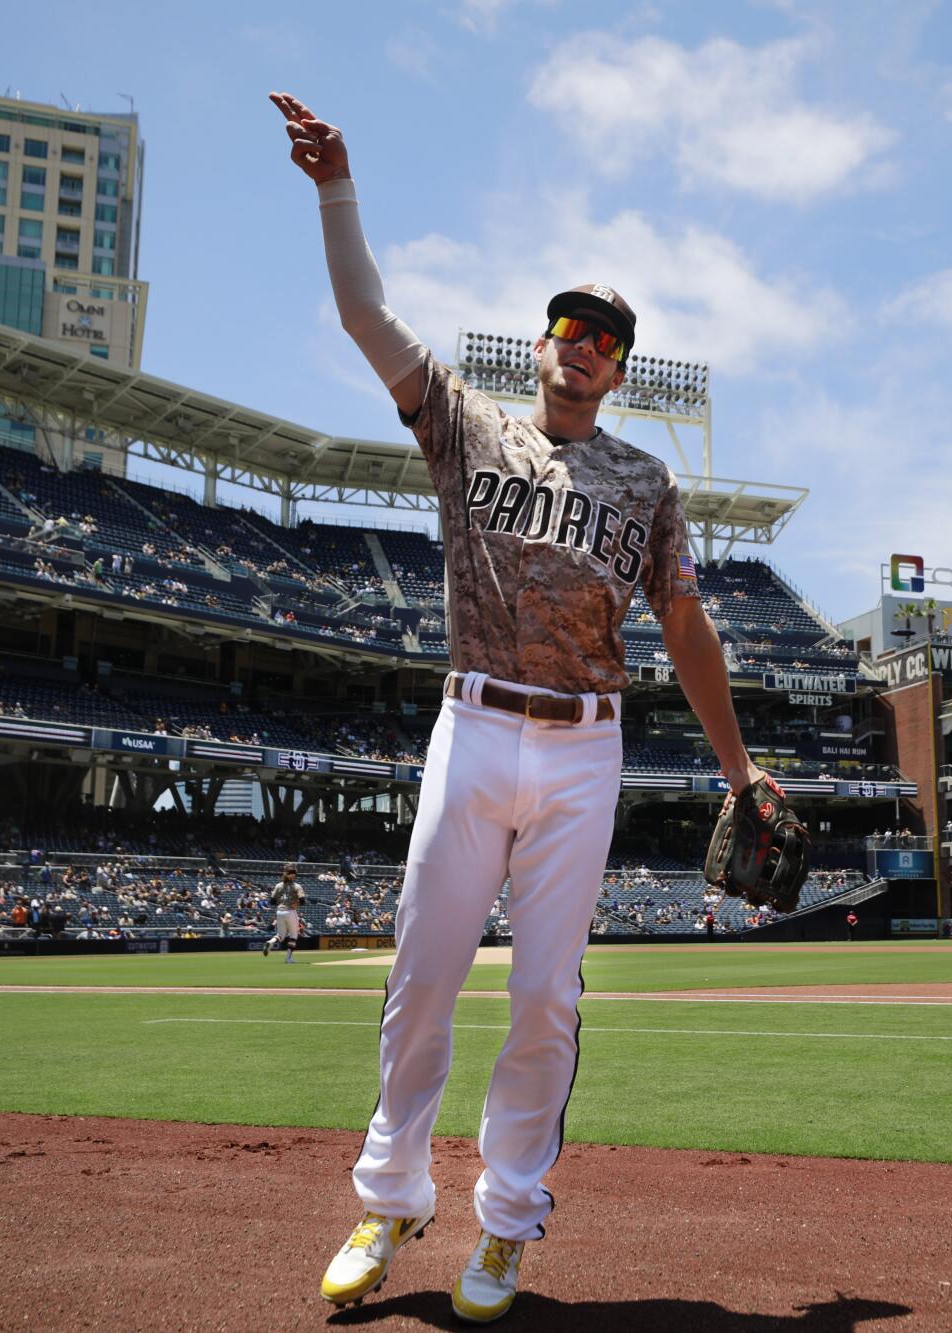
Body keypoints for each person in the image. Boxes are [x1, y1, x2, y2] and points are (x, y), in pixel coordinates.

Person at [271, 89, 771, 1323]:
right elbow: (359, 311)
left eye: (603, 335)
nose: (581, 342)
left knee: (546, 995)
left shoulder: (646, 482)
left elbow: (684, 626)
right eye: (567, 324)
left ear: (618, 366)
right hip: (475, 722)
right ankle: (391, 1194)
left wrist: (739, 771)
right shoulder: (468, 424)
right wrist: (338, 186)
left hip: (583, 748)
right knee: (423, 973)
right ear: (537, 341)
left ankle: (502, 1224)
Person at [264, 866, 304, 963]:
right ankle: (288, 958)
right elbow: (302, 900)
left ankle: (271, 942)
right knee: (294, 935)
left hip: (280, 911)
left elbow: (272, 901)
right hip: (290, 911)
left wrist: (281, 902)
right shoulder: (296, 886)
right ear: (293, 875)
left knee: (280, 935)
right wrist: (296, 903)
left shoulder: (278, 885)